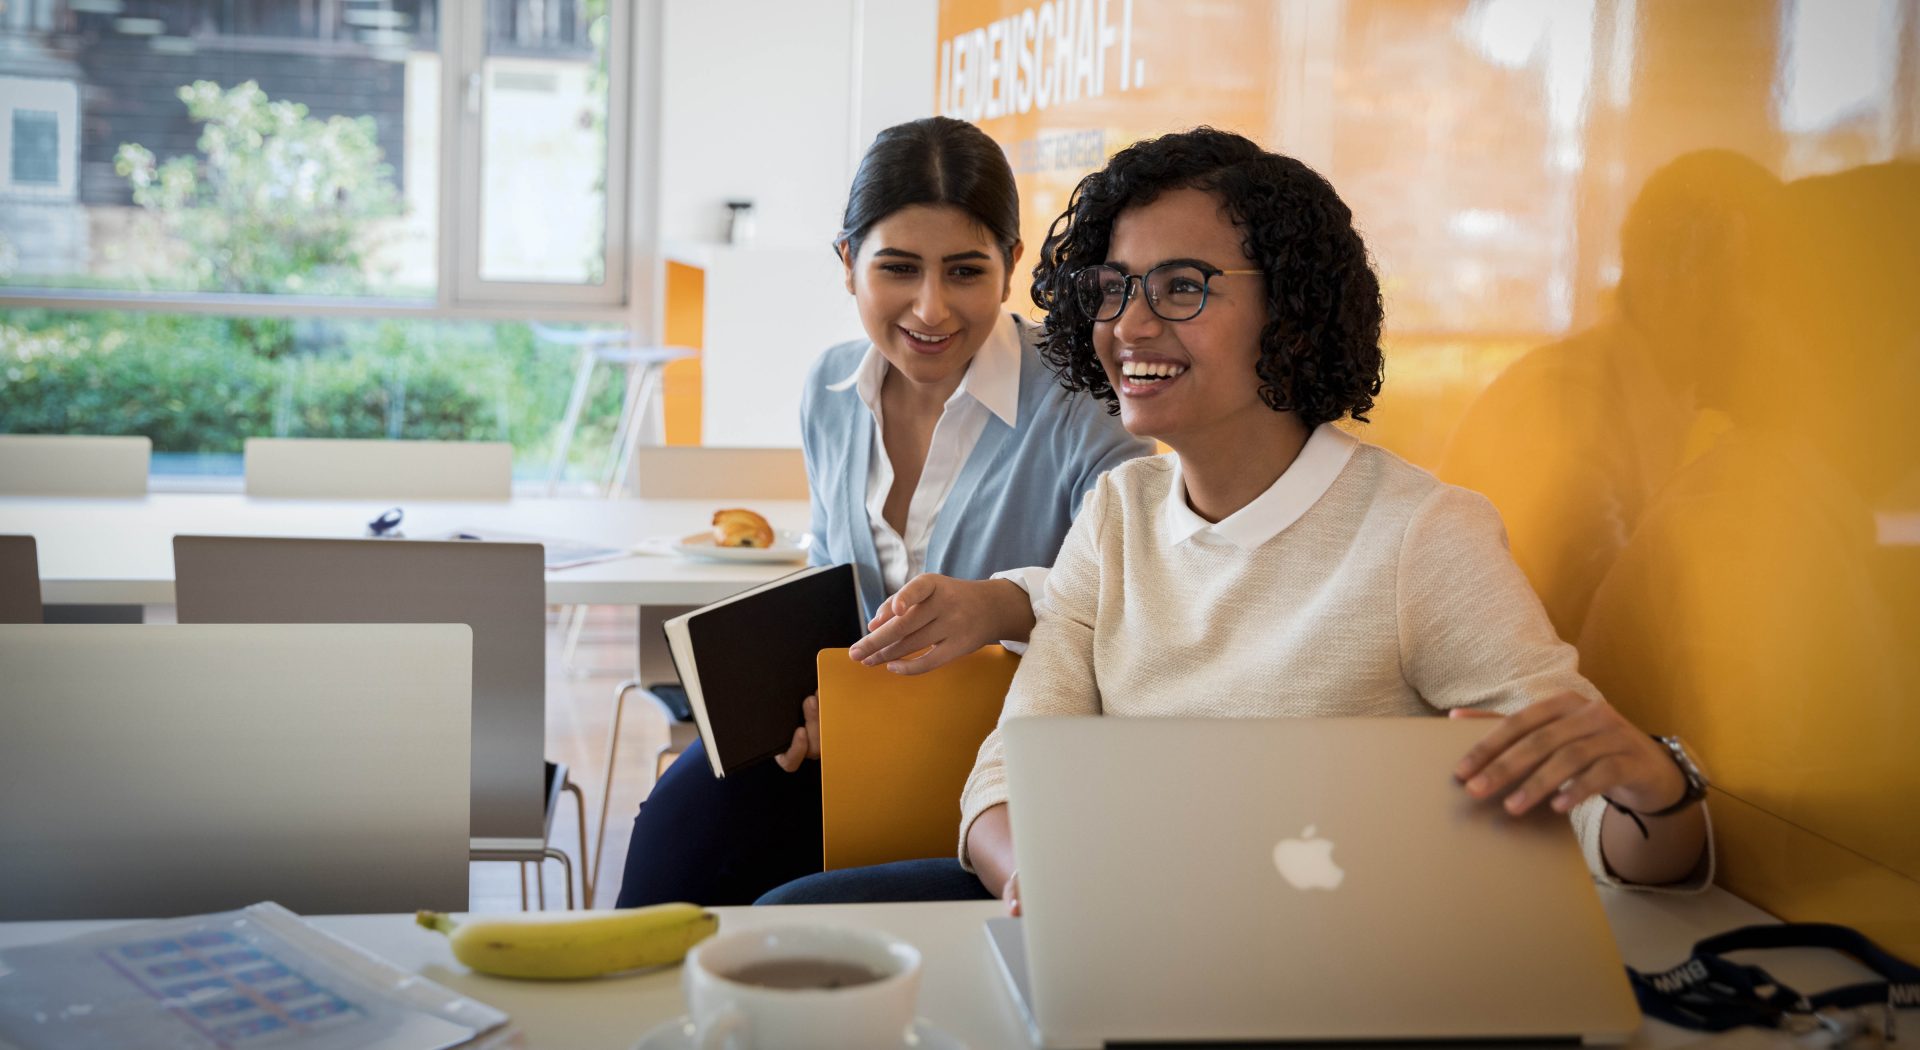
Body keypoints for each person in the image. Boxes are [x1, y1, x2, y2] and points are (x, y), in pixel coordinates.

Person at [764, 127, 1712, 909]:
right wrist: (1034, 878)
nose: (1130, 327)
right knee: (784, 922)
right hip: (1117, 924)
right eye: (1114, 287)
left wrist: (1655, 792)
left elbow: (1620, 839)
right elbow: (1005, 778)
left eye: (1182, 288)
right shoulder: (1118, 515)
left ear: (1292, 308)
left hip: (1324, 961)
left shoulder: (1422, 535)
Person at [614, 117, 1154, 908]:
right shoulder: (831, 389)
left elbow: (1142, 584)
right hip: (863, 733)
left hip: (1005, 751)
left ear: (1009, 265)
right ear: (847, 264)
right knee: (678, 830)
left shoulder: (1085, 398)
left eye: (965, 272)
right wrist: (816, 693)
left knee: (773, 906)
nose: (930, 309)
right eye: (898, 268)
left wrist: (1001, 601)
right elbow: (835, 588)